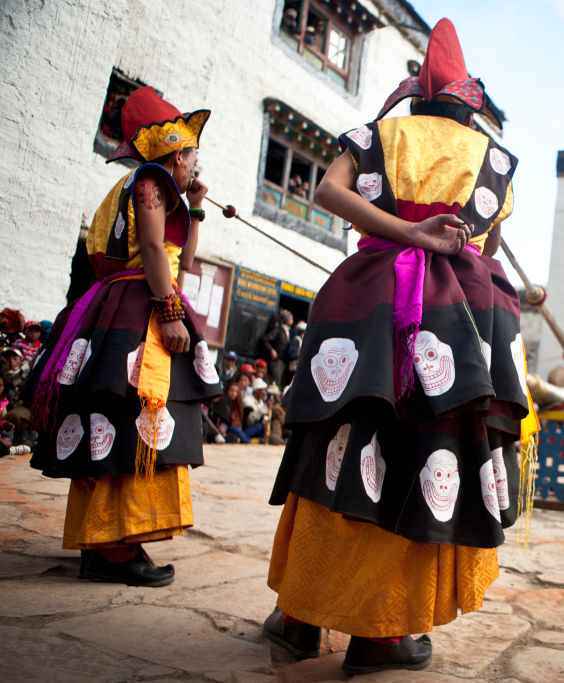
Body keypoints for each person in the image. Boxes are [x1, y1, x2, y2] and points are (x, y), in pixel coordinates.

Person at [262, 19, 536, 675]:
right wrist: (440, 240)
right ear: (469, 102)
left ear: (419, 91)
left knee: (344, 439)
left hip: (366, 303)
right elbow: (486, 244)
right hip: (456, 314)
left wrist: (402, 234)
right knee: (422, 448)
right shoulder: (493, 161)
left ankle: (299, 614)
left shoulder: (381, 134)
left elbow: (328, 191)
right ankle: (381, 632)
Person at [21, 86, 220, 587]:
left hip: (114, 307)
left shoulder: (138, 187)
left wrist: (194, 208)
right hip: (139, 307)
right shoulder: (151, 181)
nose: (196, 164)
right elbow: (153, 247)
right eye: (193, 155)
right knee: (129, 414)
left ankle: (107, 543)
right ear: (177, 152)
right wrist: (169, 311)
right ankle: (113, 549)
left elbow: (184, 260)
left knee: (113, 415)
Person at [260, 310, 293, 387]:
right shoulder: (278, 330)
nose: (291, 320)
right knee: (276, 382)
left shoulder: (287, 331)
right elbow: (265, 339)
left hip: (285, 361)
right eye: (290, 318)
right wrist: (272, 349)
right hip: (278, 361)